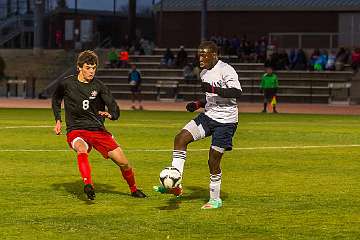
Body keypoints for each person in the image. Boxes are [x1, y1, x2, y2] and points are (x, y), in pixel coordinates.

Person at [154, 41, 242, 209]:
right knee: (180, 139)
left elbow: (237, 92)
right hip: (209, 116)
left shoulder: (226, 70)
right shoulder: (204, 73)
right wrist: (198, 104)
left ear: (214, 55)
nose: (200, 58)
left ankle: (215, 199)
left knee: (213, 161)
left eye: (204, 54)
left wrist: (213, 89)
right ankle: (175, 184)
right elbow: (211, 99)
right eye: (199, 54)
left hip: (226, 122)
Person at [52, 50, 146, 200]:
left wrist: (111, 115)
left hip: (98, 130)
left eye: (94, 68)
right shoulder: (67, 83)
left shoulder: (99, 86)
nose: (91, 71)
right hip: (76, 129)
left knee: (124, 163)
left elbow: (113, 106)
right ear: (79, 67)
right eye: (88, 67)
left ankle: (134, 189)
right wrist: (58, 120)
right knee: (81, 149)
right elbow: (56, 99)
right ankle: (88, 185)